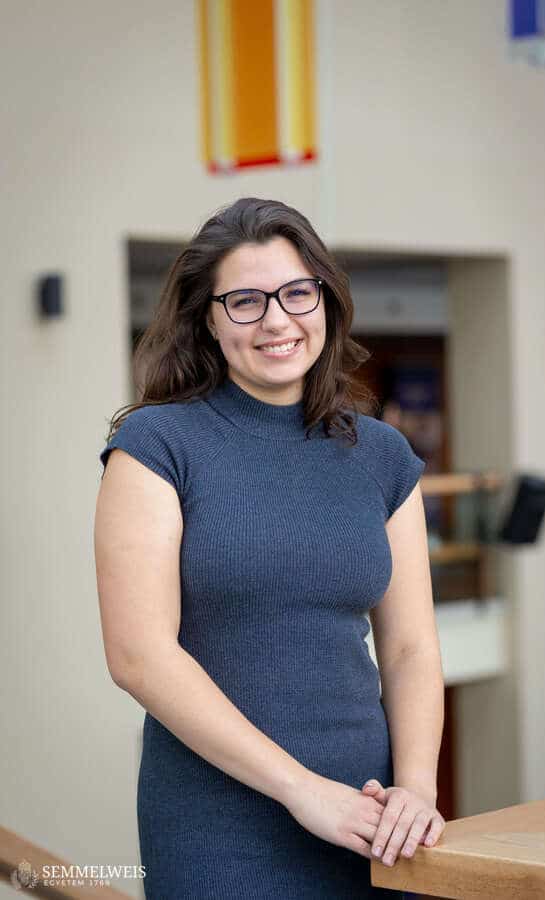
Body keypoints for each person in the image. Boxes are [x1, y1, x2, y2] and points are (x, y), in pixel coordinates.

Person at [94, 197, 446, 899]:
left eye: (296, 293)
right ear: (209, 318)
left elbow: (410, 649)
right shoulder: (156, 446)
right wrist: (302, 790)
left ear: (325, 300)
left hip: (372, 817)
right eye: (246, 301)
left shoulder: (382, 456)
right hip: (220, 825)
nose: (278, 320)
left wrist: (415, 789)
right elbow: (139, 656)